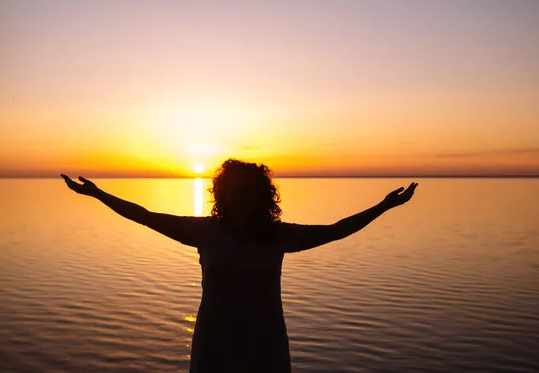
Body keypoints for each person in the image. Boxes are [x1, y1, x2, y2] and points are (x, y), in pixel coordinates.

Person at [61, 158, 418, 372]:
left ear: (262, 196)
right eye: (231, 190)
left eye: (246, 191)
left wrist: (383, 206)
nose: (238, 197)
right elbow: (145, 216)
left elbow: (337, 230)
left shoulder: (279, 236)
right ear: (221, 195)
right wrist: (98, 194)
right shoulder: (204, 231)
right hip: (215, 340)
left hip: (264, 343)